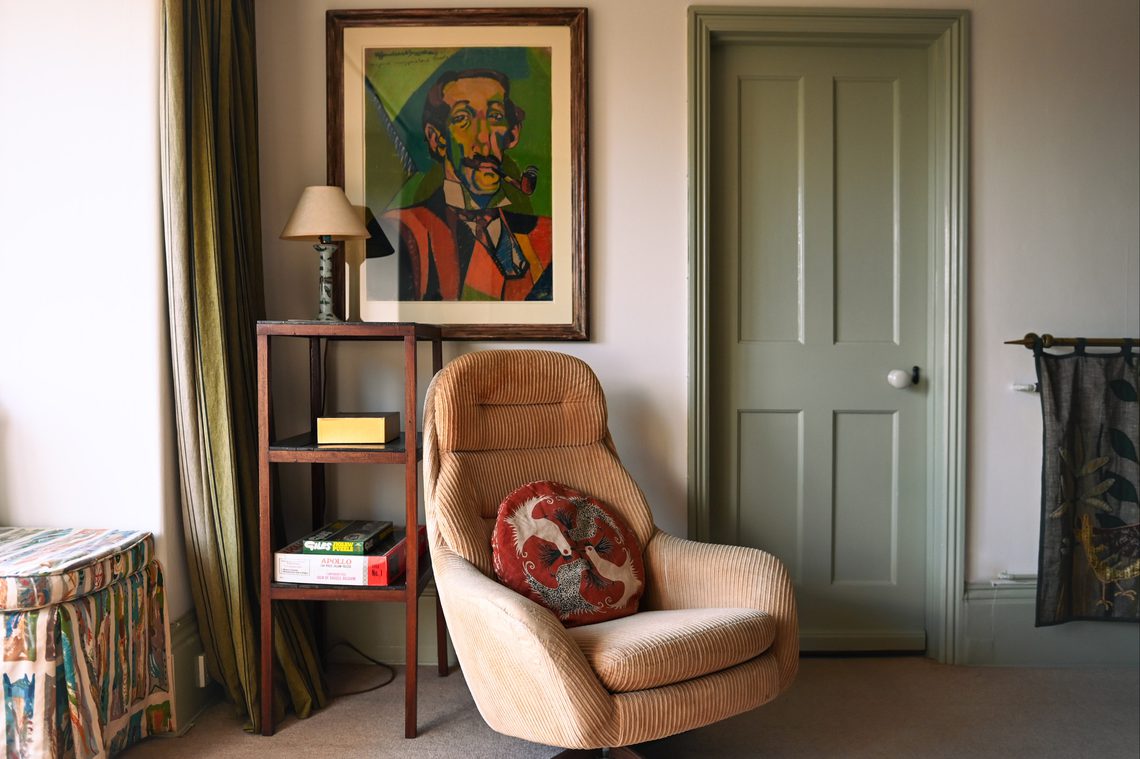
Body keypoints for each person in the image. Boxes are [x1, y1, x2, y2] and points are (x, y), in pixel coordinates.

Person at [385, 68, 552, 301]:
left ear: (512, 134)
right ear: (437, 139)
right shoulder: (405, 232)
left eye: (495, 117)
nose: (483, 137)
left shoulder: (546, 237)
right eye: (463, 119)